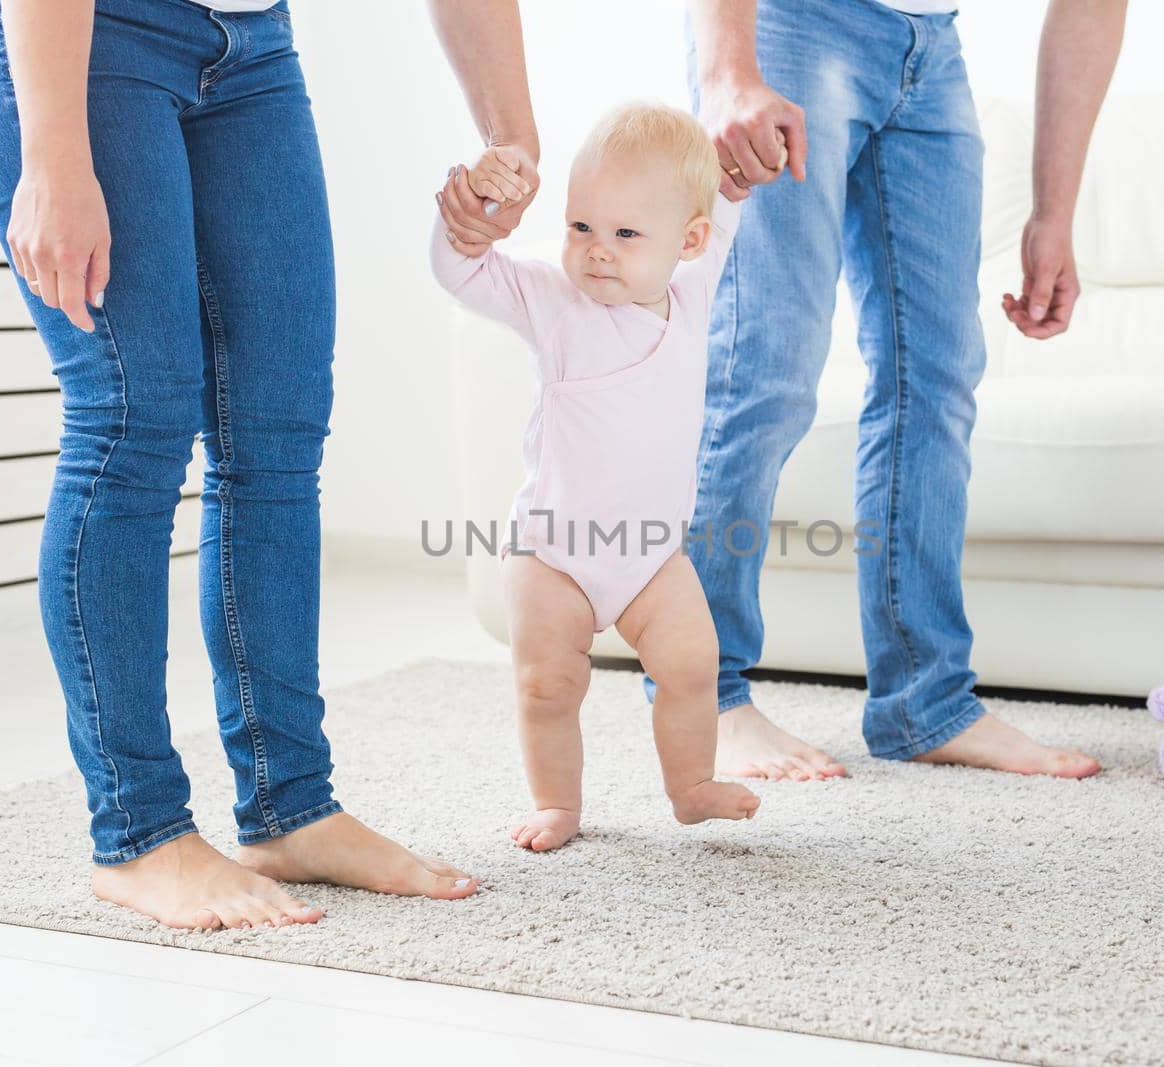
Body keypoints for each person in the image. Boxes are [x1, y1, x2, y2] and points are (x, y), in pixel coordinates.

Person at [431, 0, 1127, 783]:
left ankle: (927, 702)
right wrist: (730, 68)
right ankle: (712, 695)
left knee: (939, 373)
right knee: (765, 366)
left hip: (935, 47)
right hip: (795, 23)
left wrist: (1054, 213)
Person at [0, 0, 479, 932]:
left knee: (277, 434)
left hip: (252, 45)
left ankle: (291, 807)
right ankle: (140, 833)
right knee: (131, 413)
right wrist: (56, 150)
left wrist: (509, 132)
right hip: (82, 32)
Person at [430, 104, 761, 851]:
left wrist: (738, 143)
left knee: (692, 662)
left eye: (626, 234)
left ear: (690, 242)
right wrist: (475, 209)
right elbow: (459, 270)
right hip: (555, 553)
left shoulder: (693, 294)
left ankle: (692, 786)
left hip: (651, 554)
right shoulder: (553, 300)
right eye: (583, 226)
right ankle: (558, 803)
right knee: (548, 685)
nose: (598, 251)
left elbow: (730, 190)